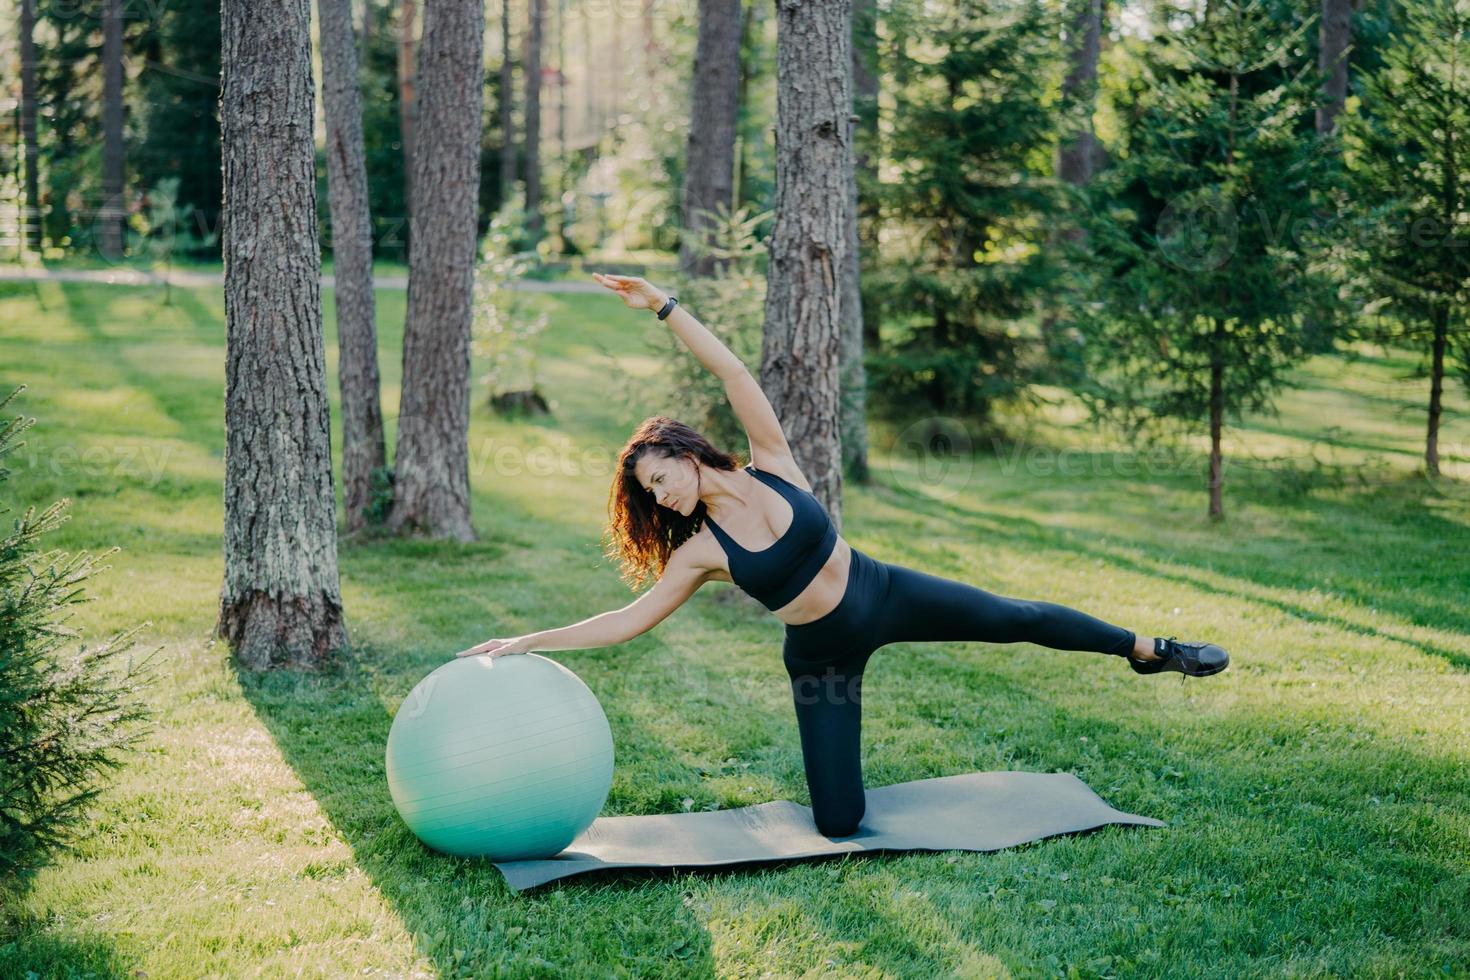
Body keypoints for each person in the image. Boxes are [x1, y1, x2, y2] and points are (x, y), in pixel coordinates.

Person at [455, 273, 1229, 838]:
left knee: (1016, 617)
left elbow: (730, 371)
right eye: (651, 496)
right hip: (822, 655)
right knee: (838, 823)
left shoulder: (772, 462)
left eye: (663, 480)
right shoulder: (697, 552)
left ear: (688, 454)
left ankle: (1149, 649)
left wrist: (662, 305)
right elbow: (627, 622)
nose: (662, 500)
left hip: (883, 592)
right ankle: (842, 798)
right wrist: (529, 641)